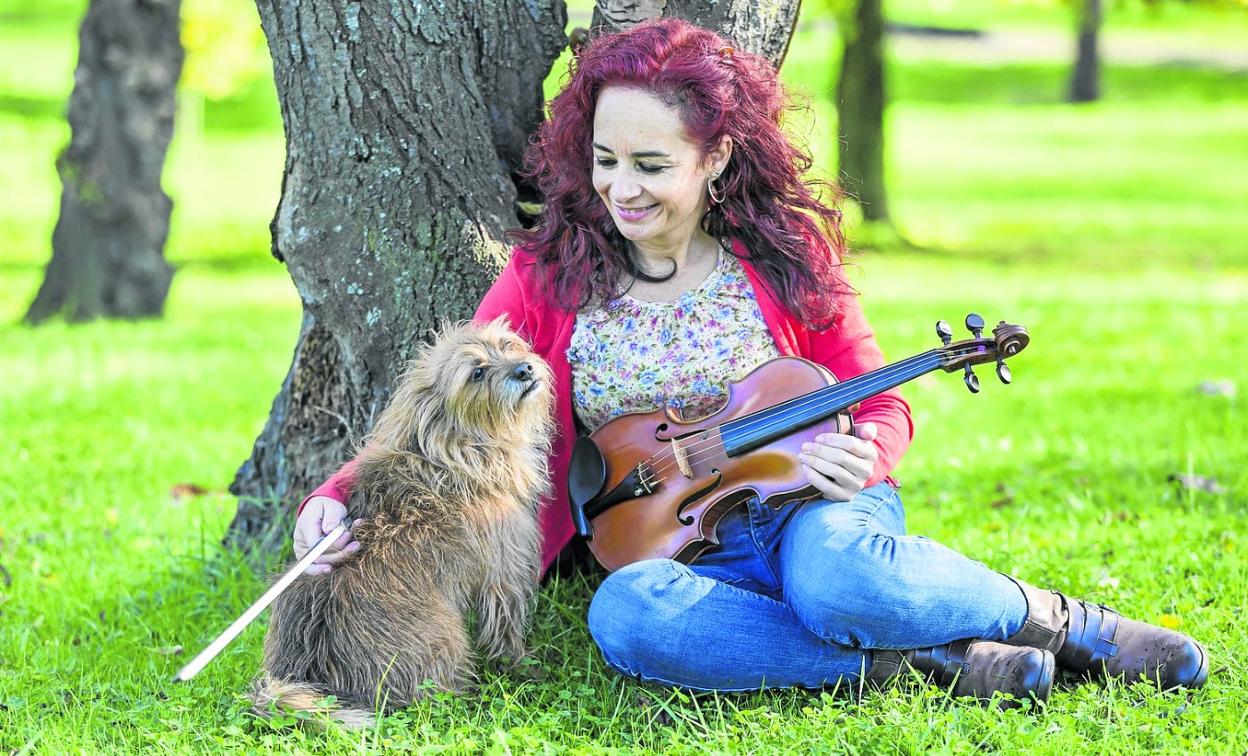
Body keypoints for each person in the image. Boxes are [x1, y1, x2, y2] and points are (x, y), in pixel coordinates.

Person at [291, 19, 1207, 705]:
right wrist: (334, 498)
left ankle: (1067, 625)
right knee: (626, 619)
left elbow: (881, 397)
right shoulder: (548, 276)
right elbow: (444, 411)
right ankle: (919, 664)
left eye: (651, 163)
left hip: (813, 506)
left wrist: (869, 455)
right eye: (606, 160)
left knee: (840, 579)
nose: (621, 188)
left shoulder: (785, 262)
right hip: (672, 544)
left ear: (715, 156)